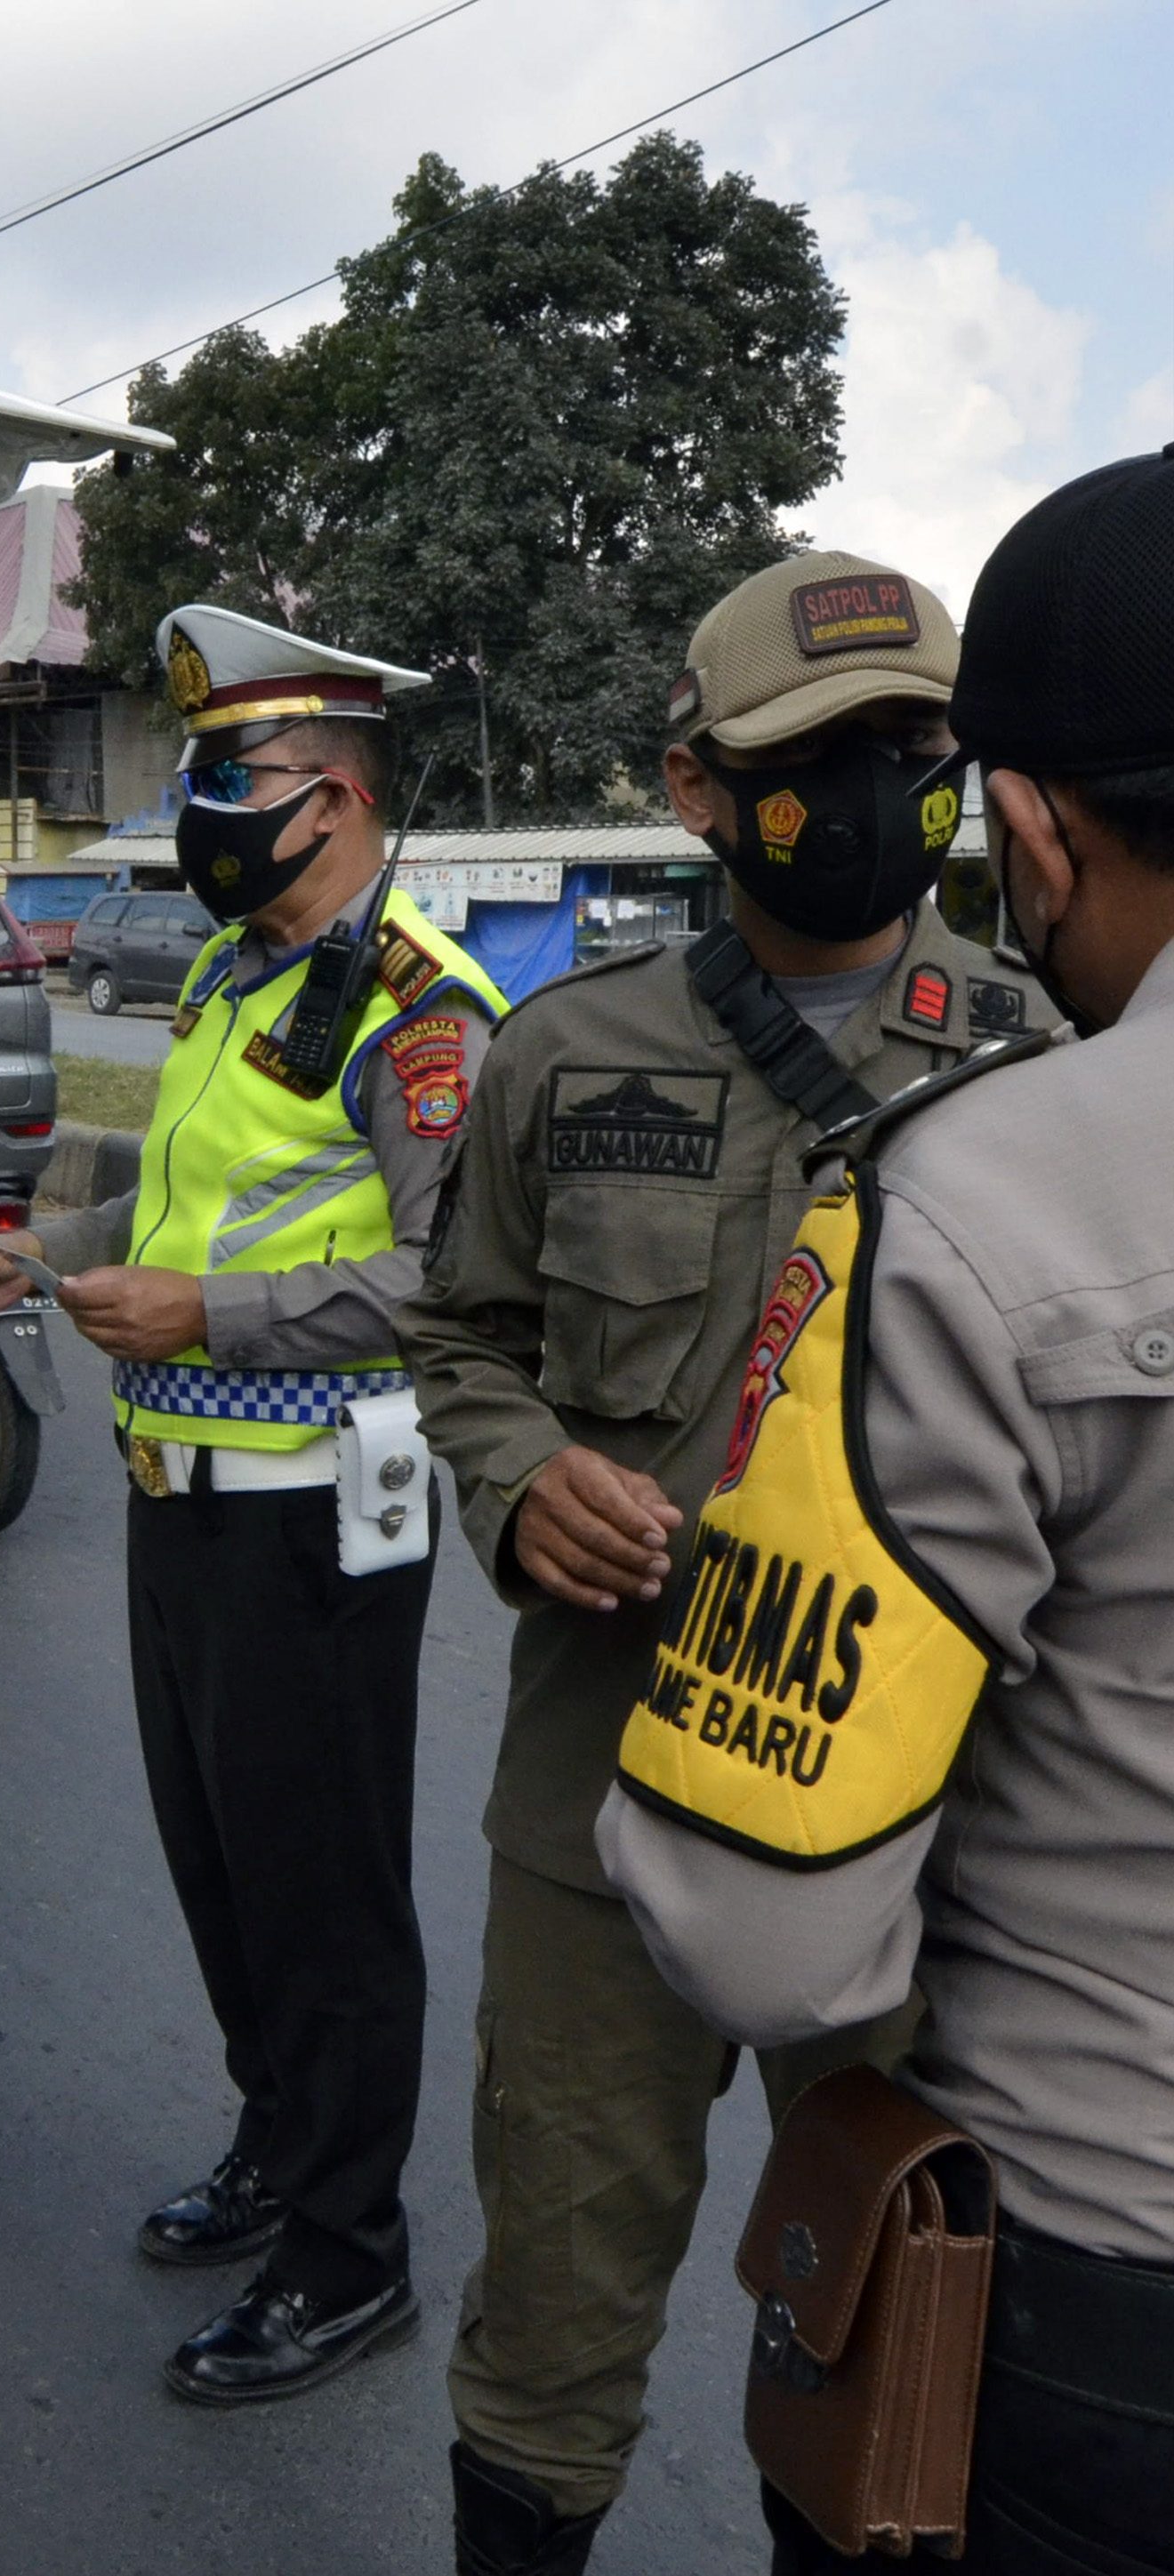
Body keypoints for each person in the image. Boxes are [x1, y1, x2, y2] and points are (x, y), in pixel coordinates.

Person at [398, 550, 1046, 2571]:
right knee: (554, 2313)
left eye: (907, 749)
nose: (867, 792)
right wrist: (517, 1480)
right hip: (604, 1801)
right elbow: (458, 1332)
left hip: (928, 1835)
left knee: (879, 2321)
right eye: (810, 756)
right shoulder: (563, 1056)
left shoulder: (1053, 1061)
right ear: (693, 785)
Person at [599, 454, 1174, 2573]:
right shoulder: (571, 1046)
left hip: (1096, 2296)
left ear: (1017, 824)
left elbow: (762, 1922)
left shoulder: (980, 1194)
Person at [0, 604, 504, 2403]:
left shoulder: (422, 1017)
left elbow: (453, 1283)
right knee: (221, 1863)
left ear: (330, 797)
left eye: (220, 774)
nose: (193, 805)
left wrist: (208, 1314)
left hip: (313, 1513)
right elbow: (176, 1221)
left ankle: (348, 2253)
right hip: (174, 1495)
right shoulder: (233, 975)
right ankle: (276, 2147)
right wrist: (36, 1251)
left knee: (324, 1894)